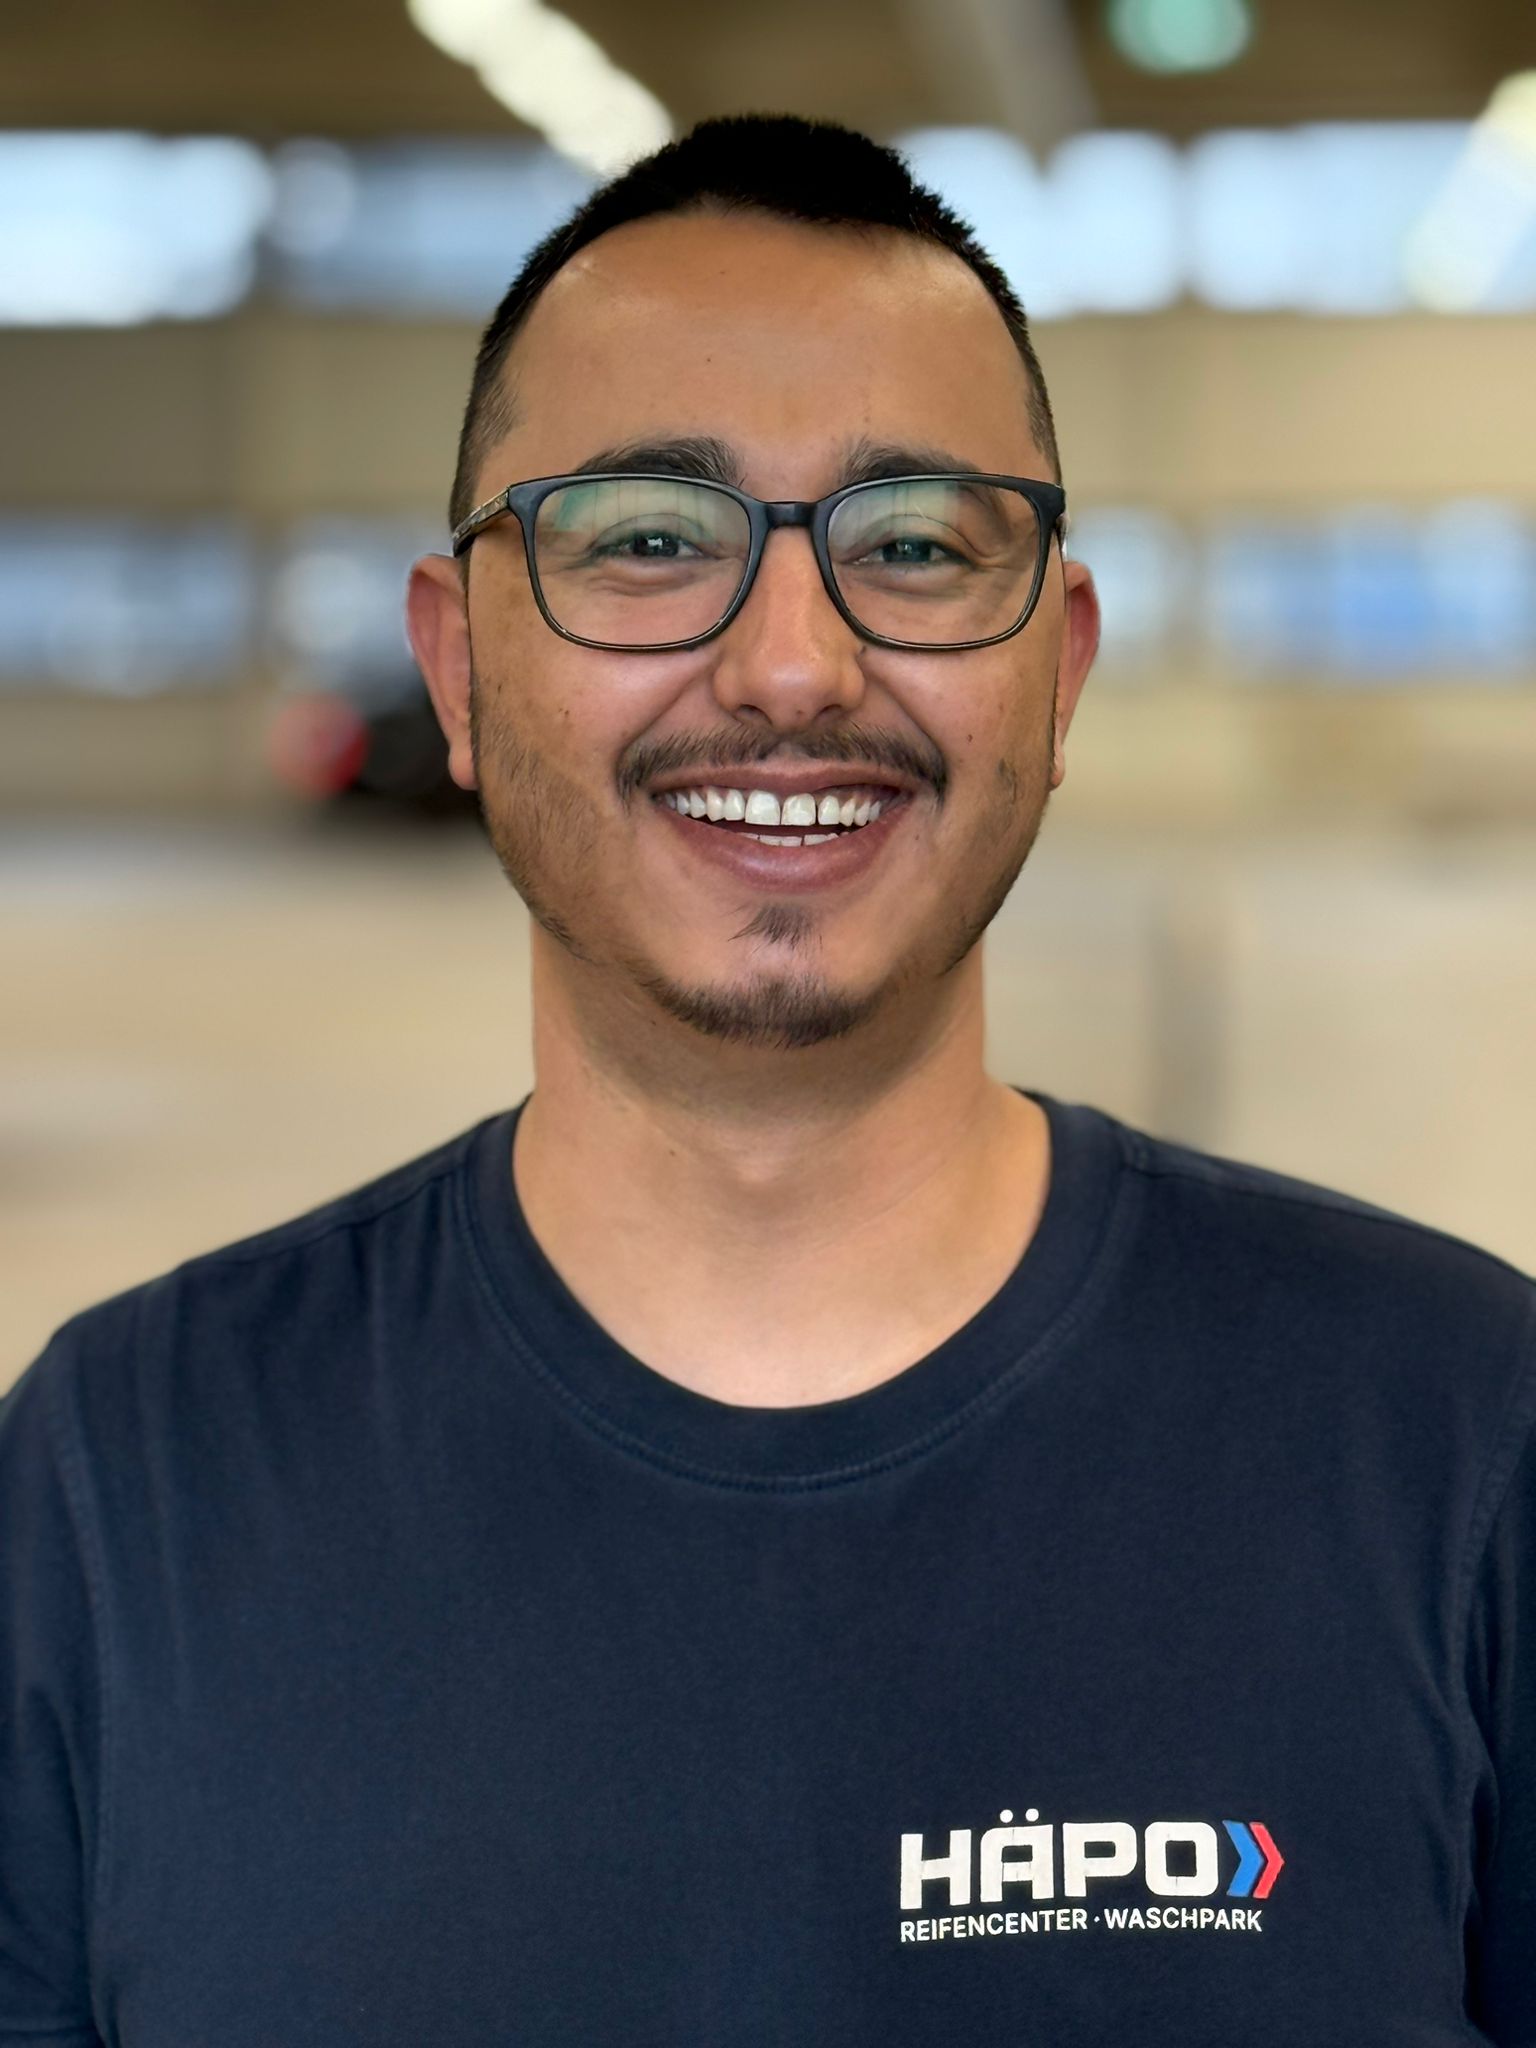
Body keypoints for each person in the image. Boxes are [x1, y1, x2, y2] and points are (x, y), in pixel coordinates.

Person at [2, 113, 1532, 2048]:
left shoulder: (1462, 1437)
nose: (792, 669)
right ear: (457, 672)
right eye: (650, 539)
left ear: (1059, 675)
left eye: (915, 545)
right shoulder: (116, 1494)